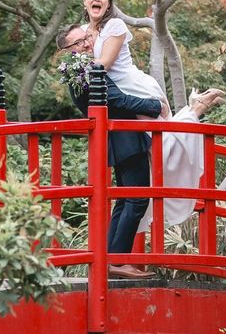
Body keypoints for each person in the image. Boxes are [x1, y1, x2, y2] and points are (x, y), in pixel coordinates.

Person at [81, 0, 225, 231]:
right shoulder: (82, 32)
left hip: (134, 89)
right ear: (85, 1)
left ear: (108, 4)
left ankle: (194, 110)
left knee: (162, 142)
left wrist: (76, 64)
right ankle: (193, 109)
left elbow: (100, 67)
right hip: (117, 99)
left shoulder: (114, 26)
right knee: (149, 153)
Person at [56, 24, 166, 279]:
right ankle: (117, 260)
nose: (86, 44)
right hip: (123, 138)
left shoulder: (81, 68)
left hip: (117, 138)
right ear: (67, 51)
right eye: (78, 43)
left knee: (126, 199)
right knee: (137, 198)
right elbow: (116, 99)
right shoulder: (86, 69)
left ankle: (112, 257)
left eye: (86, 38)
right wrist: (154, 105)